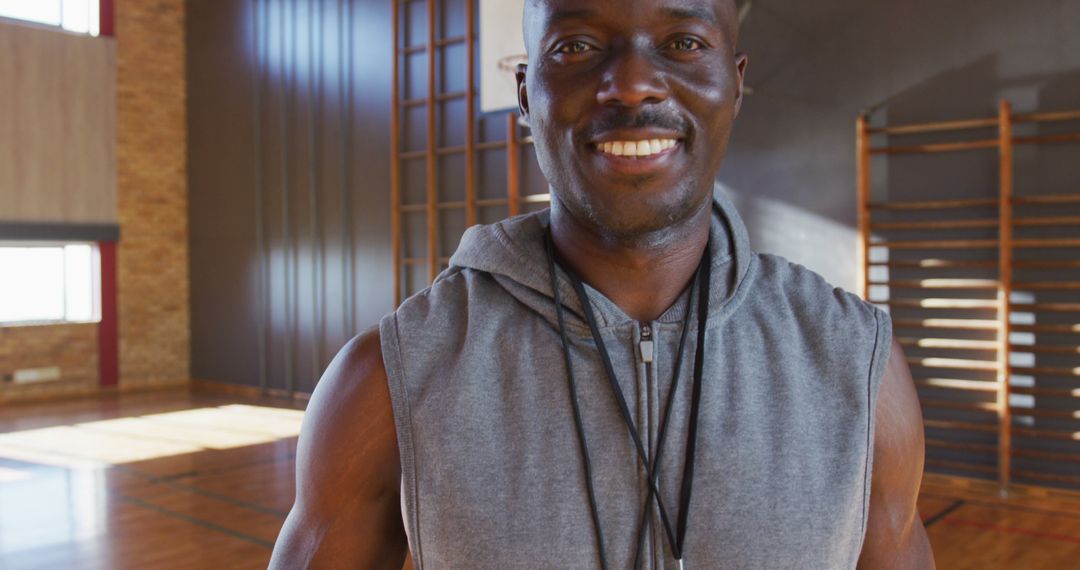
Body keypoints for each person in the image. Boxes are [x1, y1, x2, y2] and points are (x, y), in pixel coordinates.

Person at [270, 0, 934, 567]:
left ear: (734, 85)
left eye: (682, 42)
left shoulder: (855, 362)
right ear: (527, 95)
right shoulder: (388, 380)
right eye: (579, 45)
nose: (634, 84)